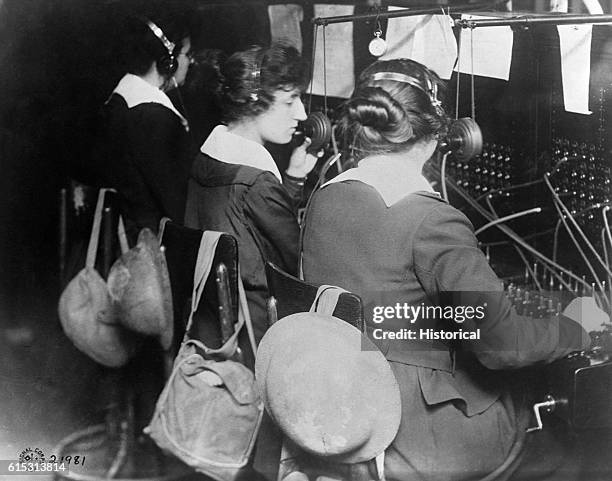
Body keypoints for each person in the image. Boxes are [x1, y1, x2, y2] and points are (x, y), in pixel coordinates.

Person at [301, 58, 605, 481]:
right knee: (579, 445)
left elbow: (389, 308)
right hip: (417, 433)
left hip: (343, 403)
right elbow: (503, 348)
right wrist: (576, 325)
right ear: (438, 136)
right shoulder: (430, 220)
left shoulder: (325, 197)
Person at [184, 43, 318, 346]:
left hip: (213, 322)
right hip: (259, 332)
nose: (301, 113)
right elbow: (299, 261)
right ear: (255, 101)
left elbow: (252, 232)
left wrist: (293, 179)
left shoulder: (206, 160)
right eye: (290, 101)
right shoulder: (256, 182)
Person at [90, 13, 195, 241]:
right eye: (187, 55)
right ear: (169, 62)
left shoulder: (119, 103)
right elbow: (179, 205)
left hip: (127, 239)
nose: (190, 62)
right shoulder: (155, 118)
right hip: (154, 248)